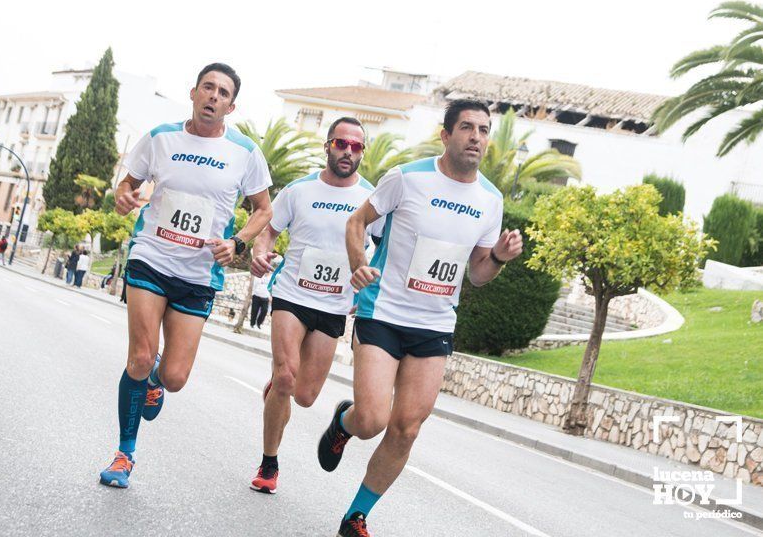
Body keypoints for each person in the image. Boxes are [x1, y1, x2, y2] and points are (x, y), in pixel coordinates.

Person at [316, 99, 523, 536]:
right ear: (446, 135)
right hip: (384, 312)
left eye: (484, 130)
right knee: (372, 420)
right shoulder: (408, 178)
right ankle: (343, 422)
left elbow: (479, 273)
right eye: (466, 128)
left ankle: (356, 516)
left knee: (407, 428)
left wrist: (499, 258)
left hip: (434, 325)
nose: (476, 137)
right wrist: (358, 262)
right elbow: (357, 223)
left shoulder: (490, 199)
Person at [98, 62, 273, 489]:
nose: (214, 96)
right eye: (208, 88)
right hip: (152, 258)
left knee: (173, 376)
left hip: (199, 272)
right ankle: (125, 453)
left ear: (232, 106)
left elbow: (263, 209)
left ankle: (155, 381)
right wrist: (124, 198)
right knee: (140, 356)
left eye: (223, 93)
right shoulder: (160, 138)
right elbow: (127, 184)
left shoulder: (245, 152)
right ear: (193, 93)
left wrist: (239, 243)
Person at [248, 117, 382, 495]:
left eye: (356, 147)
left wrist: (369, 283)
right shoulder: (299, 190)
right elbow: (269, 231)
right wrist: (261, 253)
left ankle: (286, 389)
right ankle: (269, 463)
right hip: (292, 294)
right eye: (341, 143)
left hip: (335, 305)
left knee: (303, 396)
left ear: (362, 153)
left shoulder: (372, 200)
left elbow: (387, 246)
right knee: (287, 377)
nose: (348, 151)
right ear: (328, 145)